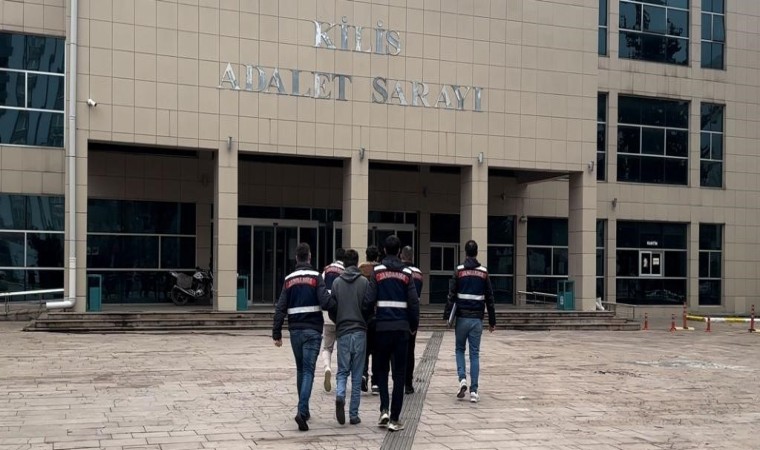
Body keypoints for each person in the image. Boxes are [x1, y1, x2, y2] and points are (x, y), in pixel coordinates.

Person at [272, 242, 333, 431]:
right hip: (312, 330)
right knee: (308, 371)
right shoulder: (316, 277)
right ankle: (302, 410)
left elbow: (280, 307)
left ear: (297, 258)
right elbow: (325, 303)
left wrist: (276, 333)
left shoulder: (289, 279)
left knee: (301, 370)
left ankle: (304, 411)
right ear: (309, 257)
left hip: (295, 331)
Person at [363, 235, 419, 432]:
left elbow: (369, 300)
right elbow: (413, 303)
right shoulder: (407, 273)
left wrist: (369, 320)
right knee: (399, 375)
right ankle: (395, 418)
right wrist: (413, 325)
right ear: (399, 252)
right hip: (402, 330)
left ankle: (384, 410)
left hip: (382, 329)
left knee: (382, 371)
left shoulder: (377, 272)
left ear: (385, 251)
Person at [443, 239, 496, 404]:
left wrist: (447, 316)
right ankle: (474, 391)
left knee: (459, 349)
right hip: (476, 320)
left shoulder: (459, 271)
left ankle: (462, 379)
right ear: (477, 253)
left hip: (462, 319)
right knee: (474, 354)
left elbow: (451, 295)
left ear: (465, 253)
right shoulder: (484, 272)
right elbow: (490, 298)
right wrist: (492, 321)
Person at [328, 249, 370, 425]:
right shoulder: (364, 282)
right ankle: (353, 414)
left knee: (342, 371)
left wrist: (338, 320)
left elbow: (332, 307)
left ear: (344, 264)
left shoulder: (337, 283)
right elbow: (368, 306)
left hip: (343, 331)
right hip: (360, 330)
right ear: (357, 262)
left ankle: (340, 394)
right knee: (357, 373)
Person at [321, 248, 346, 392]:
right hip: (342, 315)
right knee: (342, 348)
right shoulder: (345, 271)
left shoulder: (326, 270)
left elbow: (321, 291)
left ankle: (327, 367)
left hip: (327, 315)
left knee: (327, 347)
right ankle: (341, 377)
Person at [358, 245, 380, 395]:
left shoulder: (360, 269)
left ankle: (363, 374)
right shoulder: (381, 270)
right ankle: (376, 383)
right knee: (377, 350)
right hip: (378, 314)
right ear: (377, 256)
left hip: (363, 315)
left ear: (366, 255)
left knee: (364, 350)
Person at [400, 245, 422, 395]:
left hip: (399, 315)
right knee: (410, 351)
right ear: (412, 257)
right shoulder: (418, 274)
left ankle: (398, 380)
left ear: (401, 256)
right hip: (412, 316)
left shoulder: (399, 272)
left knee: (397, 351)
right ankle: (408, 383)